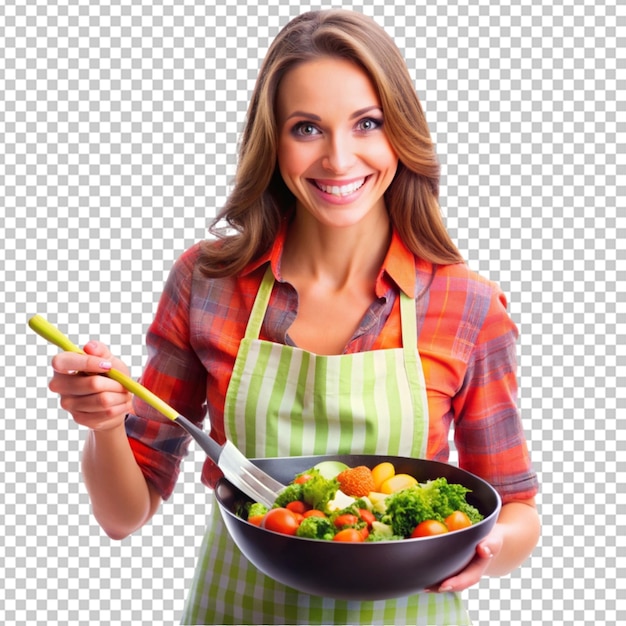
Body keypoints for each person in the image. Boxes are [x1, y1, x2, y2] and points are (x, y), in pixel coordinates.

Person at [48, 9, 540, 625]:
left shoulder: (465, 304)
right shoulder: (210, 282)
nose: (338, 159)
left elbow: (516, 506)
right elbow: (124, 514)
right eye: (307, 128)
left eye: (368, 123)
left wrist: (484, 550)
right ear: (271, 141)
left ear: (402, 134)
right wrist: (105, 424)